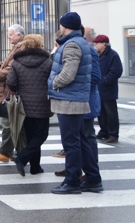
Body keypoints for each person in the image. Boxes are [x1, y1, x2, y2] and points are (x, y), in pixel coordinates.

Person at [48, 12, 102, 194]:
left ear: (65, 25)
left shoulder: (71, 45)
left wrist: (53, 82)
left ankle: (72, 182)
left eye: (61, 24)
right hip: (75, 98)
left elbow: (68, 74)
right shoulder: (80, 42)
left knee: (71, 143)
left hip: (69, 100)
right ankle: (93, 178)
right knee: (81, 141)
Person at [6, 34, 52, 176]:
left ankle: (35, 167)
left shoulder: (16, 62)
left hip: (24, 104)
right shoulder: (47, 62)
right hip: (42, 103)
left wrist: (19, 89)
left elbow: (11, 82)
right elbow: (52, 81)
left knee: (31, 136)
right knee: (41, 134)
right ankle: (22, 157)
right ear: (39, 45)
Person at [0, 24, 26, 163]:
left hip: (11, 91)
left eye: (10, 34)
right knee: (13, 123)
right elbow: (8, 64)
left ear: (19, 35)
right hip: (12, 90)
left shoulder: (20, 48)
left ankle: (7, 152)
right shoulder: (18, 47)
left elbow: (10, 70)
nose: (8, 37)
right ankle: (17, 153)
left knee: (9, 122)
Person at [93, 34, 123, 143]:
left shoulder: (113, 55)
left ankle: (113, 134)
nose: (95, 45)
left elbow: (116, 71)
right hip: (99, 89)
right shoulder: (97, 55)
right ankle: (104, 131)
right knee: (101, 113)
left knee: (111, 113)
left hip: (108, 89)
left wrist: (105, 80)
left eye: (97, 43)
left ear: (104, 44)